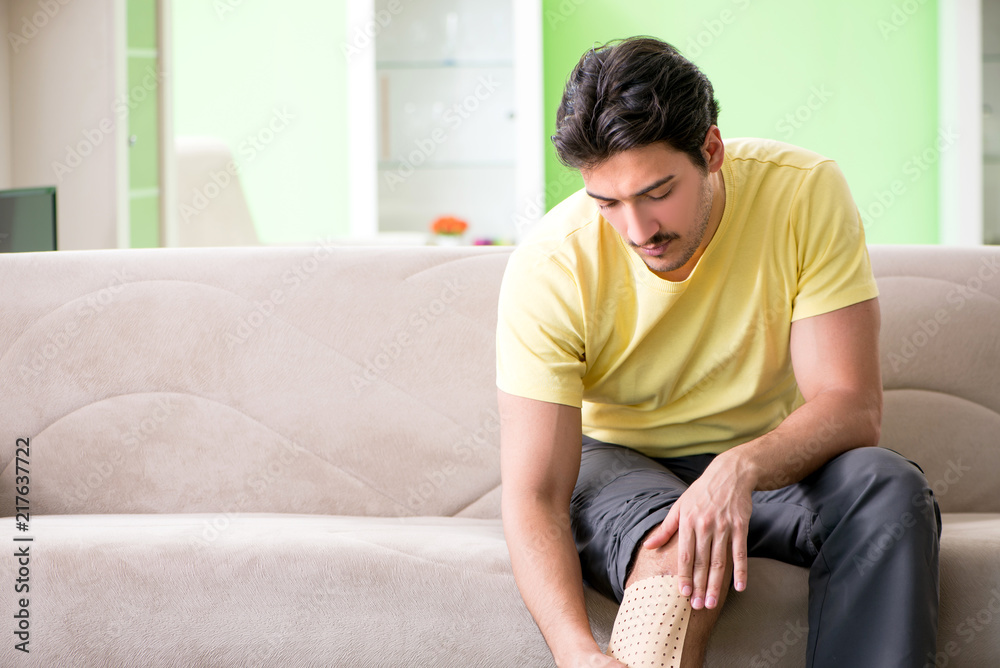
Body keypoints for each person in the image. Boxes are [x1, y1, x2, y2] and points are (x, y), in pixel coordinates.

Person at [496, 36, 941, 668]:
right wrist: (573, 650)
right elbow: (535, 493)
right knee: (679, 556)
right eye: (607, 204)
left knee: (888, 489)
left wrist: (738, 468)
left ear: (711, 150)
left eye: (656, 193)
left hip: (769, 462)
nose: (637, 231)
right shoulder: (550, 265)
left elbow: (850, 406)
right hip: (618, 460)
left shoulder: (803, 191)